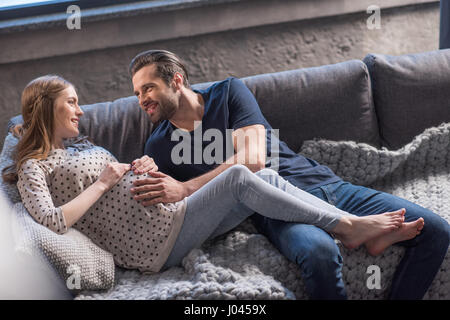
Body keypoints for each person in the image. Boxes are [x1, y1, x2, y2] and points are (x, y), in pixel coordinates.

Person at [3, 75, 420, 276]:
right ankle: (348, 227)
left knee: (263, 177)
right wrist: (105, 181)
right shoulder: (33, 167)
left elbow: (116, 179)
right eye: (72, 102)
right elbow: (53, 221)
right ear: (45, 107)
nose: (80, 110)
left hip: (170, 215)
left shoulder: (79, 147)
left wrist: (140, 167)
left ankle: (354, 227)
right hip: (155, 243)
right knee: (240, 176)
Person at [129, 49, 449, 299]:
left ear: (177, 80)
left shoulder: (228, 93)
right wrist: (145, 173)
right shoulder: (160, 146)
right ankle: (356, 231)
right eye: (137, 94)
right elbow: (178, 209)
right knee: (320, 254)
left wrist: (185, 187)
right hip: (276, 210)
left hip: (322, 184)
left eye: (148, 88)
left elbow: (253, 161)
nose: (142, 100)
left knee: (436, 231)